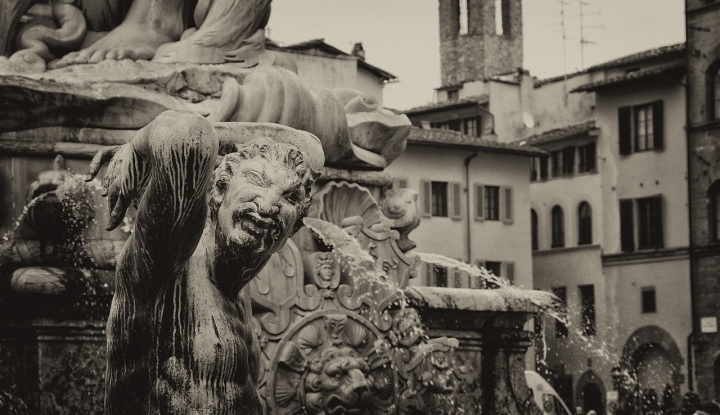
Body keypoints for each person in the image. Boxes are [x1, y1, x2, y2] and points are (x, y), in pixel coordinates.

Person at [86, 111, 322, 414]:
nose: (268, 204)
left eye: (290, 197)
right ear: (217, 192)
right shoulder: (170, 258)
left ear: (295, 228)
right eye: (256, 180)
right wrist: (139, 142)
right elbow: (187, 134)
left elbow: (311, 149)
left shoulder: (236, 283)